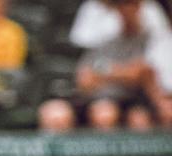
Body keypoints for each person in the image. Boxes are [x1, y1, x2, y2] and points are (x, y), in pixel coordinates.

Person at [46, 0, 172, 130]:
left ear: (139, 7)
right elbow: (84, 79)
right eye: (122, 6)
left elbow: (142, 72)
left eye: (131, 5)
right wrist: (123, 73)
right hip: (98, 98)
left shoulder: (152, 36)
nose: (126, 11)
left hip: (137, 100)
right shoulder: (106, 40)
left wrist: (106, 73)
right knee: (55, 112)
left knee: (117, 114)